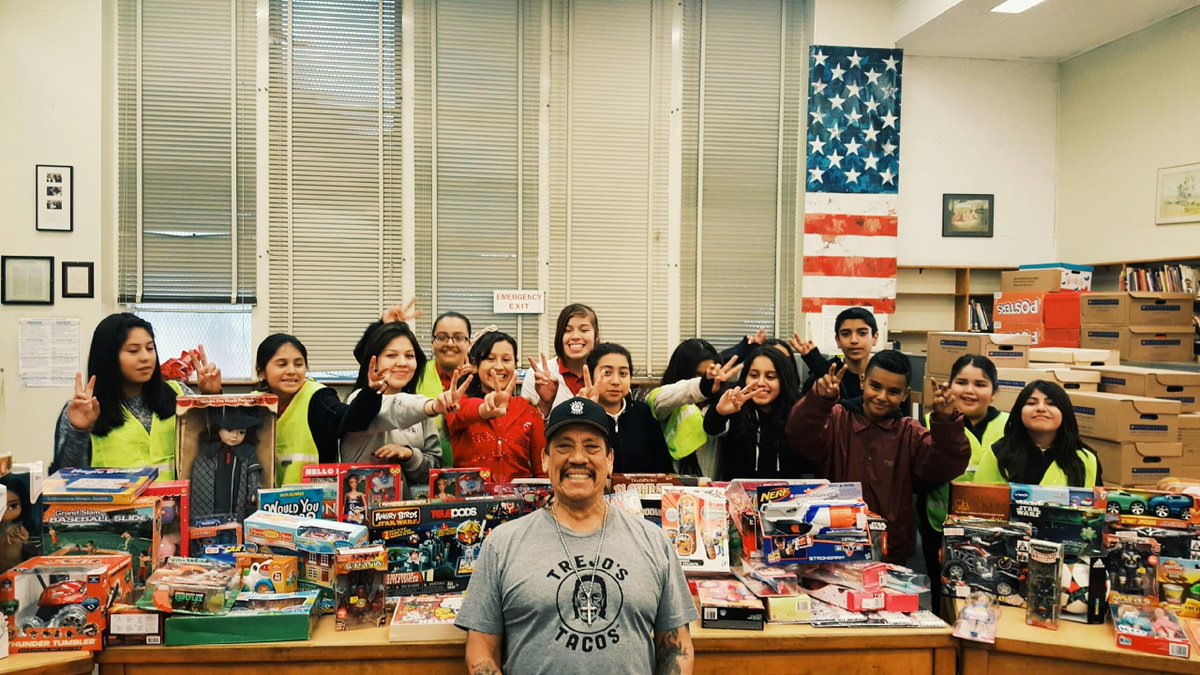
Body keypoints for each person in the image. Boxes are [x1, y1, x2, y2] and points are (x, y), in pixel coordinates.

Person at [456, 397, 697, 674]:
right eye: (564, 446)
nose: (578, 458)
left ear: (609, 460)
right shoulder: (502, 544)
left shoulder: (655, 543)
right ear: (546, 459)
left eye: (592, 447)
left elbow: (676, 648)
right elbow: (481, 650)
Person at [786, 350, 970, 564]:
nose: (882, 397)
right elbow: (798, 436)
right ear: (863, 381)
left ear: (905, 394)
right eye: (876, 386)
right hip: (830, 538)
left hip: (888, 547)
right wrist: (818, 400)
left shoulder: (910, 433)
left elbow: (946, 466)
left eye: (893, 391)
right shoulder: (836, 418)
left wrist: (946, 422)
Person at [54, 313, 222, 478]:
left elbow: (220, 442)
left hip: (176, 504)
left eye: (150, 348)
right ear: (108, 357)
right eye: (133, 351)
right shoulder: (84, 409)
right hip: (116, 505)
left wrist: (212, 397)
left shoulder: (178, 393)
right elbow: (65, 479)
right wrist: (79, 431)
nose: (145, 357)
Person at [916, 354, 1007, 609]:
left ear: (994, 392)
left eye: (980, 384)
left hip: (995, 528)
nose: (969, 390)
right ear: (950, 385)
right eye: (961, 382)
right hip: (940, 523)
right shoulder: (928, 422)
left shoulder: (1009, 426)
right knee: (943, 590)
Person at [343, 321, 450, 498]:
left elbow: (434, 472)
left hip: (408, 516)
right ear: (374, 361)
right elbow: (392, 408)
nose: (402, 363)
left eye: (409, 356)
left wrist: (409, 455)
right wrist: (431, 406)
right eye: (391, 355)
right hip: (362, 515)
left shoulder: (420, 409)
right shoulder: (359, 401)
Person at [447, 331, 548, 482]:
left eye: (506, 359)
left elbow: (542, 473)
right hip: (469, 503)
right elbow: (461, 413)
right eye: (490, 359)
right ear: (475, 366)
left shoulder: (528, 412)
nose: (499, 366)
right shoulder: (457, 405)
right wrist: (486, 408)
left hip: (519, 503)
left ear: (515, 364)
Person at [972, 381, 1101, 487]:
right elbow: (978, 500)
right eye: (1031, 403)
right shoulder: (998, 452)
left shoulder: (1085, 459)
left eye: (1051, 403)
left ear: (1065, 413)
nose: (1040, 408)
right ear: (1019, 411)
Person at [705, 346, 804, 481]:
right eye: (754, 375)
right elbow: (711, 428)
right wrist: (719, 412)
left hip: (788, 496)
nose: (761, 383)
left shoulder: (797, 410)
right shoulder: (734, 406)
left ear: (783, 380)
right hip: (739, 496)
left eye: (770, 377)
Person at [646, 339, 740, 477]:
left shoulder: (724, 404)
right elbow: (658, 401)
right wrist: (702, 386)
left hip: (712, 491)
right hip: (670, 492)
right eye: (700, 375)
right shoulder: (668, 399)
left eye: (712, 375)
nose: (710, 379)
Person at [583, 343, 673, 474]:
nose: (616, 381)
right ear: (591, 376)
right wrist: (587, 413)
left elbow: (664, 468)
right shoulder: (583, 416)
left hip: (643, 493)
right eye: (607, 373)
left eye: (623, 373)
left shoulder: (643, 413)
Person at [187, 407, 265, 522]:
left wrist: (254, 491)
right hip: (213, 500)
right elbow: (199, 480)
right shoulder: (207, 453)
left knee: (237, 521)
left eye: (241, 432)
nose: (235, 436)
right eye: (229, 430)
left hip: (237, 499)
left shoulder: (247, 454)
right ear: (218, 429)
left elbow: (253, 473)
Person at [523, 303, 600, 416]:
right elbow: (525, 429)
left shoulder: (607, 375)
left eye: (584, 330)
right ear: (559, 336)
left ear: (596, 336)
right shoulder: (537, 376)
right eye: (567, 330)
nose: (575, 336)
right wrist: (545, 403)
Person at [797, 307, 879, 402]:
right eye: (846, 334)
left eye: (862, 333)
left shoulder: (887, 376)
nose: (854, 340)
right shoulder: (821, 379)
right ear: (838, 340)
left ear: (875, 337)